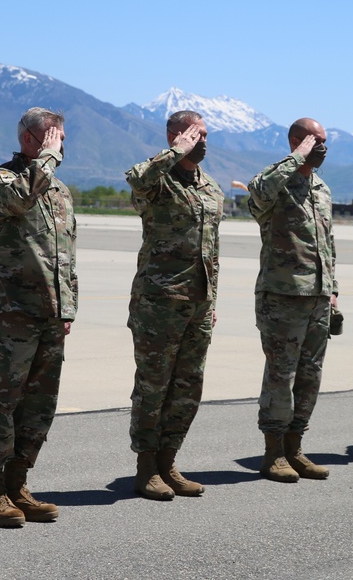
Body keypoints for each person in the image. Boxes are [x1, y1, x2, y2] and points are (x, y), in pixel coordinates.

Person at [0, 107, 77, 527]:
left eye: (62, 139)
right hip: (8, 320)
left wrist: (67, 308)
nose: (61, 145)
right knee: (1, 404)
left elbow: (65, 255)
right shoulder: (0, 182)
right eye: (55, 138)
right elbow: (19, 199)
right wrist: (46, 160)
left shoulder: (59, 191)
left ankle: (18, 484)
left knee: (38, 408)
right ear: (32, 139)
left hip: (50, 320)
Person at [126, 110, 223, 500]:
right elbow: (136, 177)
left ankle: (168, 462)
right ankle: (146, 467)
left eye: (205, 136)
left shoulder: (211, 189)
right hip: (159, 304)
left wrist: (211, 299)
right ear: (174, 135)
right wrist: (173, 152)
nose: (202, 142)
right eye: (194, 135)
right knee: (153, 387)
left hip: (198, 306)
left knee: (187, 388)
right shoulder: (158, 181)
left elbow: (212, 253)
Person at [248, 117, 337, 483]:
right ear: (298, 141)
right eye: (317, 141)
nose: (323, 148)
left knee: (310, 376)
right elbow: (258, 193)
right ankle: (273, 453)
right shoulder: (276, 183)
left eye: (325, 141)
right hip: (283, 296)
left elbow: (325, 245)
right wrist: (294, 158)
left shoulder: (322, 189)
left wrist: (332, 291)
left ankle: (294, 447)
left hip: (317, 296)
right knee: (281, 375)